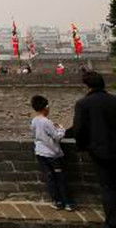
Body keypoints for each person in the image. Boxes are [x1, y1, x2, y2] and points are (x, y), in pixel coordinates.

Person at [68, 70, 116, 226]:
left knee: (108, 187)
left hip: (99, 152)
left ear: (87, 86)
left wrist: (82, 146)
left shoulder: (83, 104)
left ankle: (112, 222)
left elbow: (79, 129)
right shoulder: (113, 100)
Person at [30, 94, 75, 211]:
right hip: (52, 154)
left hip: (40, 153)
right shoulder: (47, 122)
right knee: (60, 178)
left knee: (50, 178)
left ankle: (57, 201)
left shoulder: (34, 121)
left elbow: (34, 135)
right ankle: (68, 203)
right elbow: (57, 137)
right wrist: (61, 129)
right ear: (46, 107)